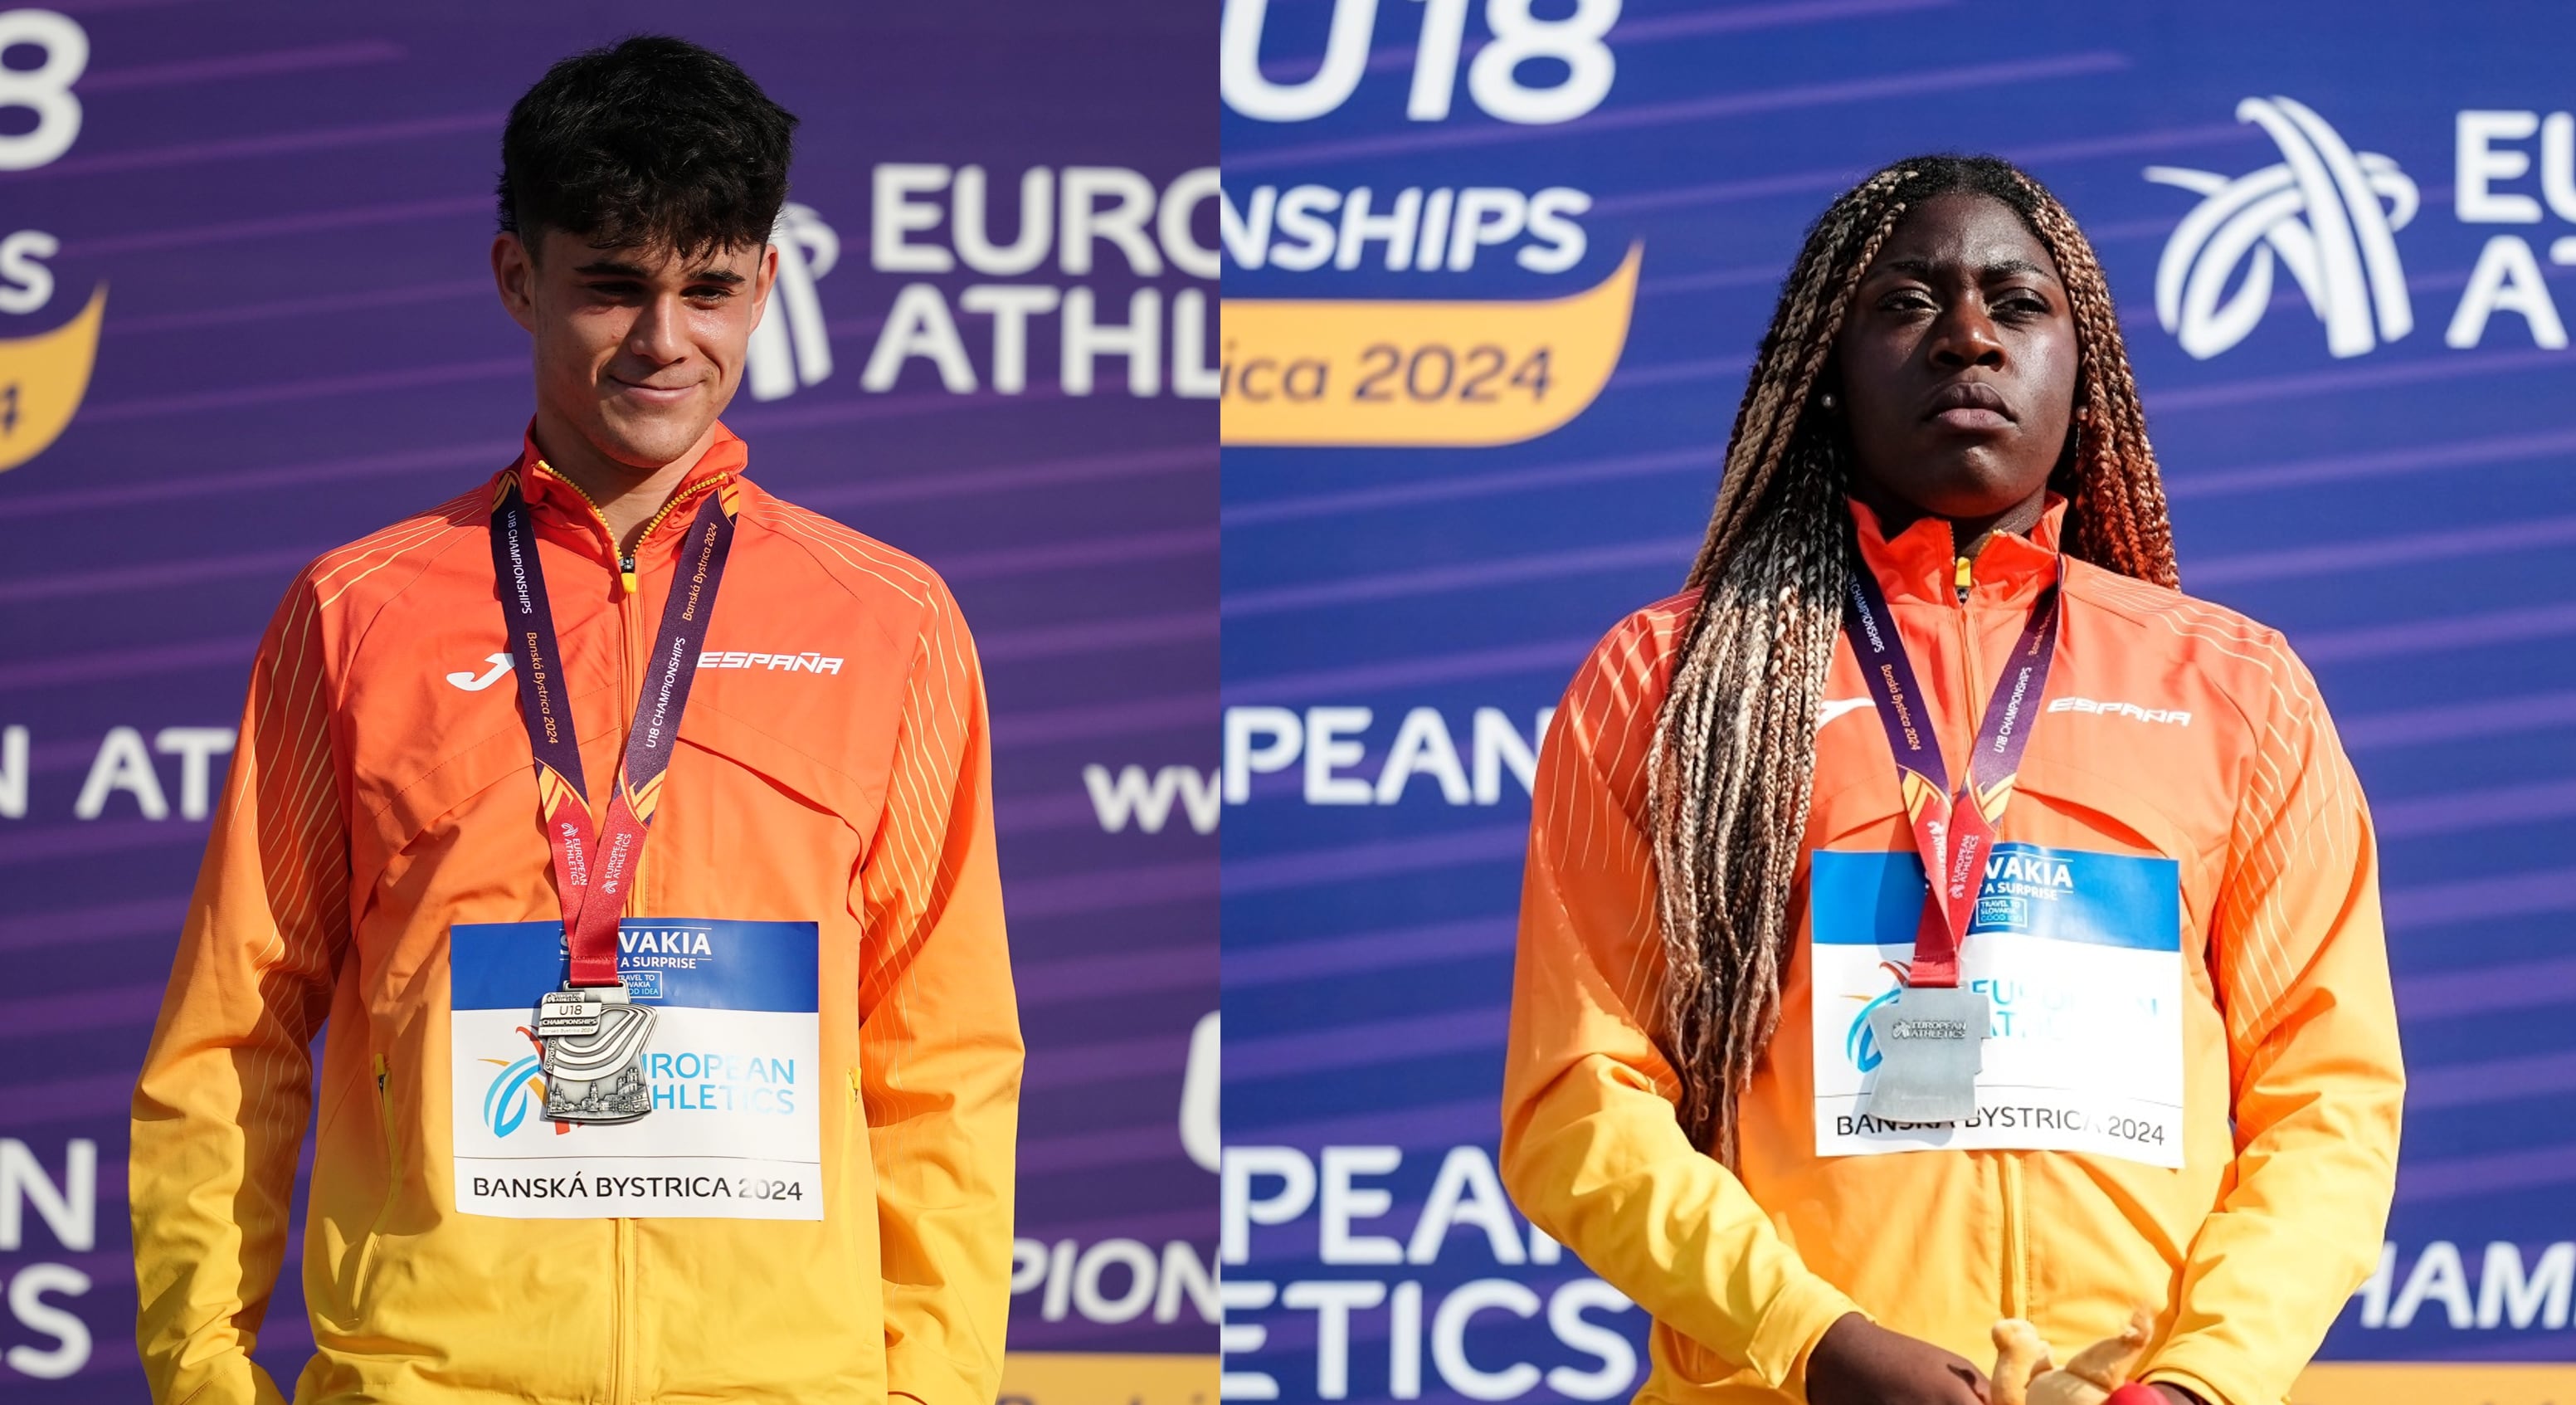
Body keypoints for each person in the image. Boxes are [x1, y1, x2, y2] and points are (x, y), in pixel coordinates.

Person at [129, 37, 1021, 1404]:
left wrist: (928, 1390)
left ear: (768, 285)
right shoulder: (354, 611)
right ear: (517, 278)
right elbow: (236, 1026)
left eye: (711, 289)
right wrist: (203, 1372)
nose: (668, 340)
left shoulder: (888, 618)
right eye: (614, 287)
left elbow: (940, 1056)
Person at [1499, 154, 2403, 1405]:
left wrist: (2200, 1379)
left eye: (2017, 302)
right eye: (1906, 302)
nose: (1967, 336)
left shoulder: (2234, 688)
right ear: (1824, 367)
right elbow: (1579, 1100)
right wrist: (1812, 1340)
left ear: (2082, 373)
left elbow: (2327, 1102)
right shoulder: (1667, 683)